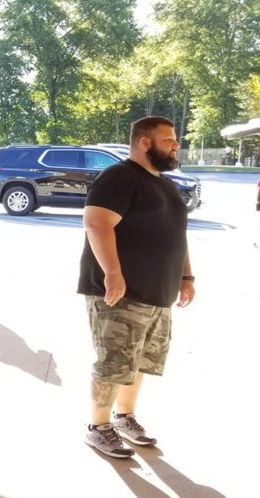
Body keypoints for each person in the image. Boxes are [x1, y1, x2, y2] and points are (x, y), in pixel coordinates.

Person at [79, 116, 195, 459]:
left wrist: (187, 277)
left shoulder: (166, 185)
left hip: (158, 294)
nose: (176, 144)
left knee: (141, 362)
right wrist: (112, 272)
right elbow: (96, 223)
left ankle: (124, 417)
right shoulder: (119, 177)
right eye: (168, 139)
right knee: (114, 361)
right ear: (145, 142)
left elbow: (178, 236)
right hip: (120, 294)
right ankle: (98, 427)